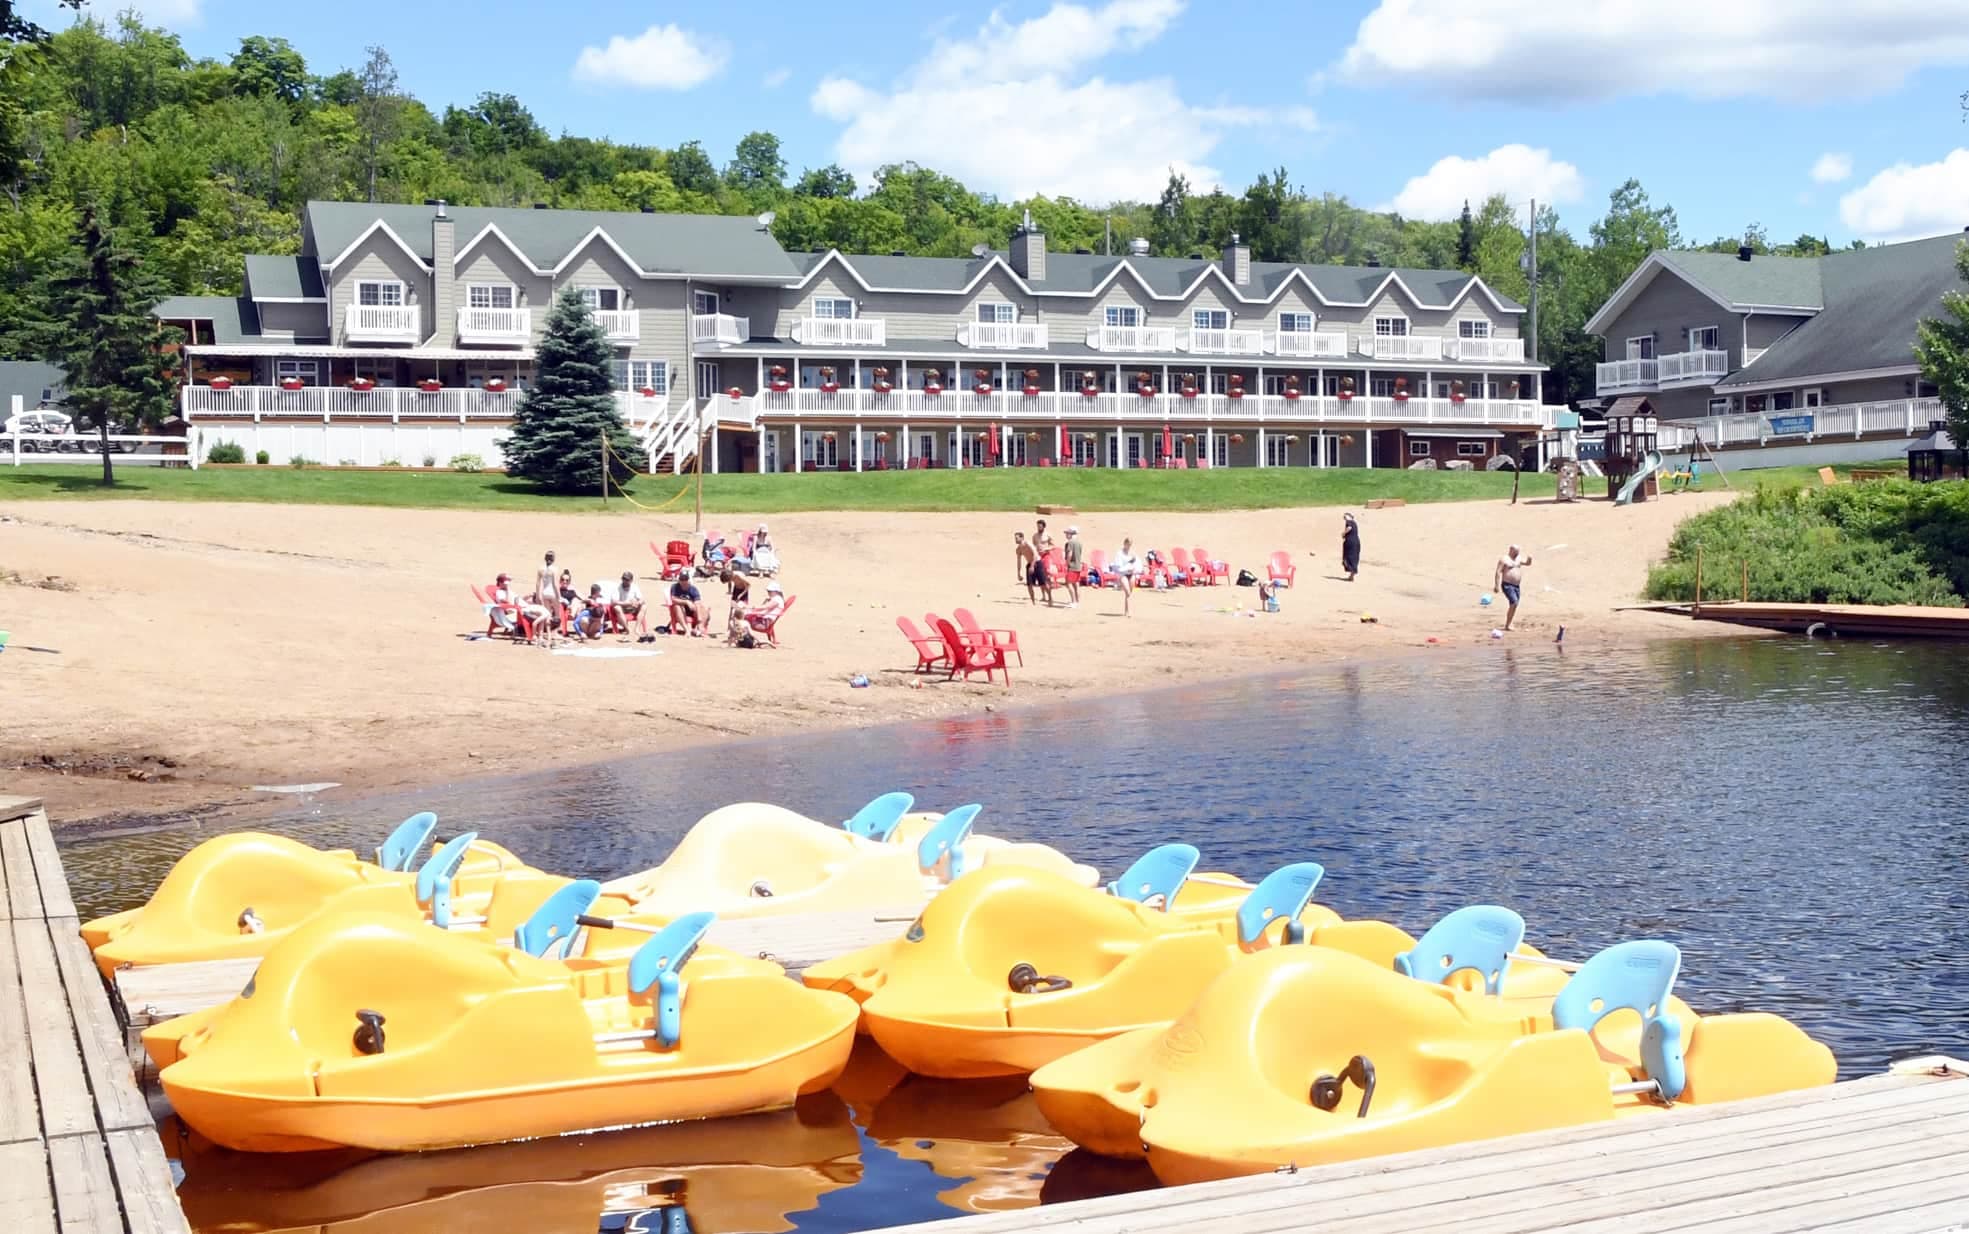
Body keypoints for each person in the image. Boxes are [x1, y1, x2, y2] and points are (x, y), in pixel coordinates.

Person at [1494, 544, 1533, 632]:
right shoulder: (1504, 559)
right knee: (1514, 602)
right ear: (1511, 550)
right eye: (1515, 552)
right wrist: (1496, 585)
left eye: (1518, 552)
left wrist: (1529, 559)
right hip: (1507, 585)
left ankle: (1509, 623)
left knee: (1514, 604)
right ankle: (1508, 625)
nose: (1517, 554)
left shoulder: (1518, 559)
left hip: (1516, 586)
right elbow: (1498, 572)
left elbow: (1527, 564)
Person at [745, 580, 787, 647]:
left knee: (743, 620)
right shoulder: (777, 598)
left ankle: (747, 640)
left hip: (764, 623)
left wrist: (752, 608)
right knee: (746, 616)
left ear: (776, 591)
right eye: (768, 591)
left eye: (769, 591)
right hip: (765, 621)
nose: (768, 593)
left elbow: (765, 607)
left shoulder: (777, 600)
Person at [533, 551, 561, 646]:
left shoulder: (541, 569)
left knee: (547, 615)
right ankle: (555, 633)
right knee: (557, 614)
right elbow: (555, 584)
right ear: (553, 559)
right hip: (552, 592)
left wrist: (538, 595)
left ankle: (546, 634)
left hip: (544, 592)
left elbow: (538, 584)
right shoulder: (554, 569)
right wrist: (559, 596)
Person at [668, 572, 708, 637]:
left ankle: (700, 628)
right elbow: (673, 599)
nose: (683, 582)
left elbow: (697, 602)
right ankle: (687, 630)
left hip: (691, 610)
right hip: (680, 610)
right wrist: (686, 602)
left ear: (688, 580)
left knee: (702, 607)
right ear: (679, 580)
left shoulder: (693, 589)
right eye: (682, 580)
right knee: (677, 606)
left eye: (685, 580)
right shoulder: (675, 587)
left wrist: (699, 617)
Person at [611, 570, 648, 638]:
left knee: (644, 606)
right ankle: (627, 629)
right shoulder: (617, 588)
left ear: (631, 580)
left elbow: (642, 599)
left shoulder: (634, 587)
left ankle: (637, 629)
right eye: (623, 579)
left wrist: (638, 602)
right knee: (617, 607)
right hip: (623, 608)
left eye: (627, 580)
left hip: (633, 608)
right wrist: (627, 603)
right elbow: (614, 602)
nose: (625, 581)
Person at [1112, 538, 1141, 617]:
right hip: (1123, 574)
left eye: (1130, 545)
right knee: (1127, 592)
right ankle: (1128, 611)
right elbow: (1118, 567)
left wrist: (1134, 569)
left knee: (1129, 593)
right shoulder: (1119, 553)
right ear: (1124, 543)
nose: (1128, 546)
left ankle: (1127, 611)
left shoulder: (1132, 553)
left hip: (1131, 574)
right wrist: (1126, 567)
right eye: (1127, 544)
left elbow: (1137, 563)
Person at [1014, 531, 1041, 605]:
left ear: (1021, 537)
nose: (1015, 540)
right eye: (1015, 538)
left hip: (1037, 562)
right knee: (1029, 584)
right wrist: (1018, 573)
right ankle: (1033, 602)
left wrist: (1032, 565)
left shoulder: (1028, 543)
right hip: (1029, 564)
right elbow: (1019, 561)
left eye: (1017, 538)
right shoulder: (1018, 549)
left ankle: (1049, 598)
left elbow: (1035, 554)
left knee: (1043, 583)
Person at [1061, 526, 1084, 609]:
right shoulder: (1079, 543)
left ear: (1071, 533)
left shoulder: (1070, 543)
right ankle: (1077, 601)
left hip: (1072, 566)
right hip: (1078, 566)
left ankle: (1073, 601)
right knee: (1076, 584)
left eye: (1067, 533)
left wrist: (1067, 563)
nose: (1066, 535)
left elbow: (1070, 554)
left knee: (1069, 584)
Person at [1341, 514, 1361, 582]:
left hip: (1350, 542)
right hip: (1356, 542)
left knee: (1348, 557)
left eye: (1345, 516)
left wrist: (1343, 533)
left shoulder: (1349, 522)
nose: (1344, 518)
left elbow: (1349, 528)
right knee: (1354, 557)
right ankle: (1351, 575)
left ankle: (1351, 574)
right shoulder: (1354, 523)